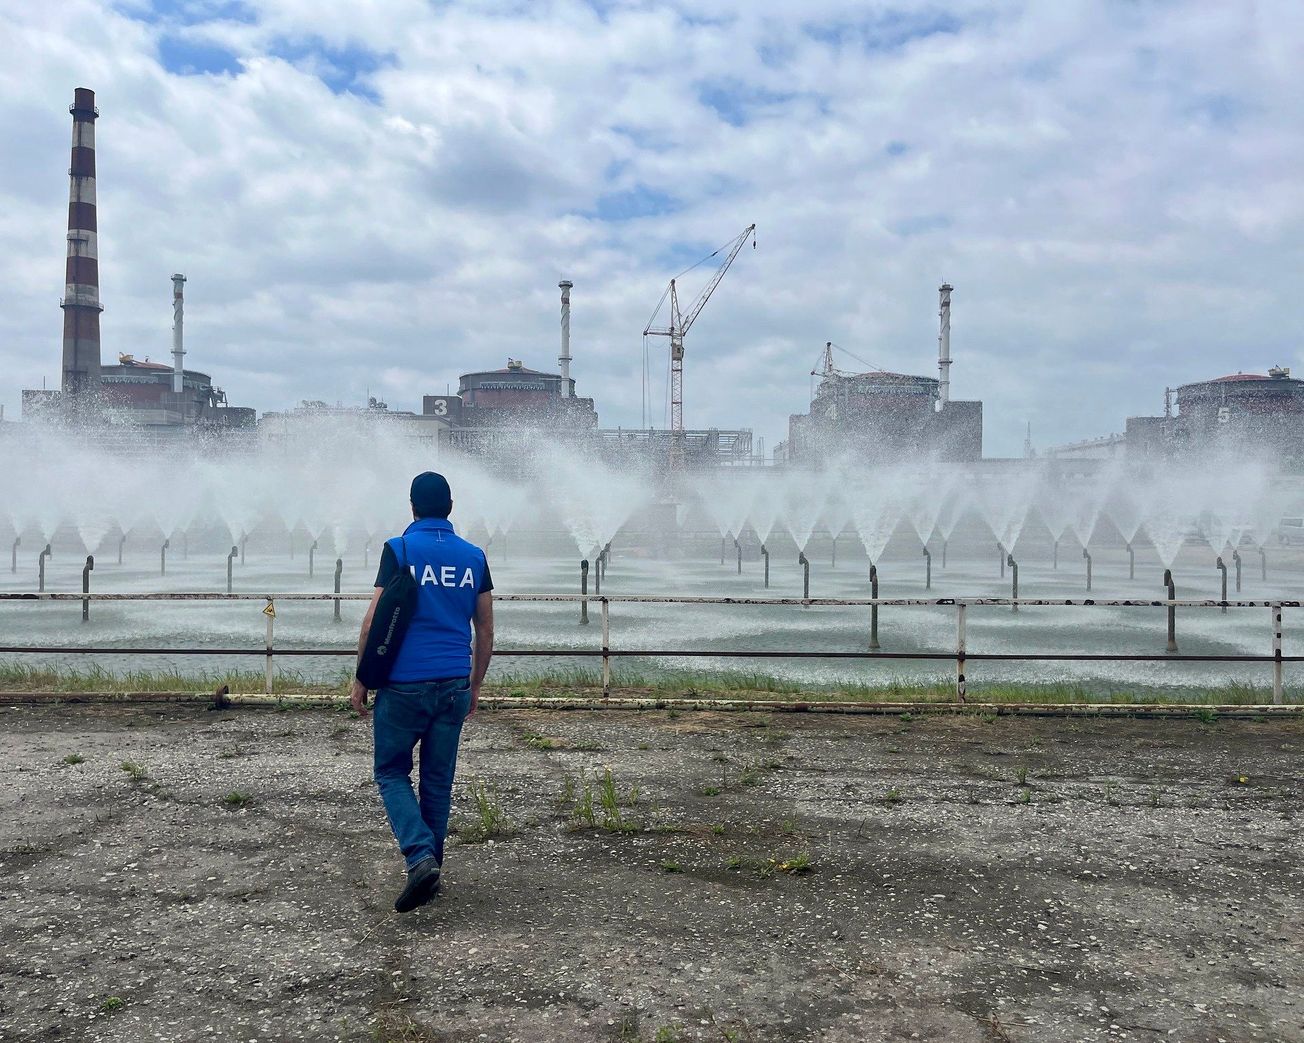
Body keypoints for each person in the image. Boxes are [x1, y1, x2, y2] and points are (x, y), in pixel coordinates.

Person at [350, 471, 494, 913]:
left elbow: (376, 618)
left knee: (391, 772)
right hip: (452, 683)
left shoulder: (401, 549)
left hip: (403, 685)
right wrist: (474, 686)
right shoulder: (474, 556)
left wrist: (361, 676)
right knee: (437, 781)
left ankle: (419, 857)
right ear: (450, 507)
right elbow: (485, 629)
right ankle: (432, 869)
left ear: (411, 506)